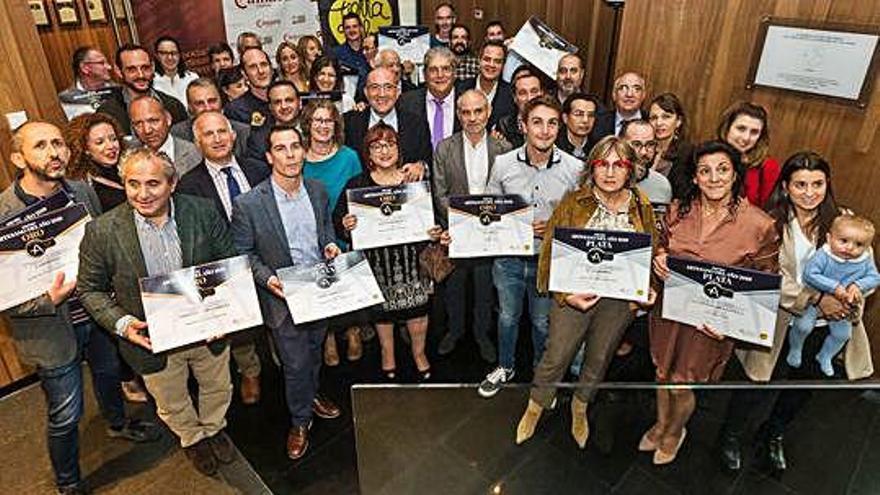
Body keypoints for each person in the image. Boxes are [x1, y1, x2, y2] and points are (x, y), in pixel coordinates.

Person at [2, 122, 159, 494]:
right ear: (17, 158)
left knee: (109, 379)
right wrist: (45, 300)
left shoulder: (82, 192)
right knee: (65, 413)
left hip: (95, 314)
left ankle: (118, 424)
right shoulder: (3, 213)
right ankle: (68, 482)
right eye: (40, 145)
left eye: (58, 143)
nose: (54, 152)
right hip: (50, 330)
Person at [77, 146, 237, 477]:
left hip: (207, 328)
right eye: (133, 184)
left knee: (218, 387)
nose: (142, 194)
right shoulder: (102, 231)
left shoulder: (203, 211)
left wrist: (228, 313)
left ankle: (214, 428)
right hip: (150, 339)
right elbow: (89, 289)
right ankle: (191, 438)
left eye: (153, 184)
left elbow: (231, 263)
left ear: (172, 183)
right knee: (171, 399)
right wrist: (122, 324)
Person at [723, 151, 873, 473]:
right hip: (779, 321)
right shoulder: (769, 222)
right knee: (756, 384)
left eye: (817, 184)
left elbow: (867, 269)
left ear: (826, 184)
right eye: (800, 184)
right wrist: (817, 299)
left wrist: (850, 296)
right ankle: (731, 435)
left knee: (801, 389)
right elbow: (769, 276)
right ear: (786, 187)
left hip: (825, 327)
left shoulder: (843, 219)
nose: (809, 192)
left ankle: (774, 433)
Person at [516, 135, 658, 448]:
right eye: (602, 164)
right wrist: (566, 295)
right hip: (573, 296)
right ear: (591, 169)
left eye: (618, 165)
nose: (609, 172)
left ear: (630, 169)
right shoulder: (572, 202)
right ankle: (535, 406)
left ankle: (580, 406)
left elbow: (651, 252)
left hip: (618, 302)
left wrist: (647, 290)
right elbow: (550, 253)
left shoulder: (642, 205)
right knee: (556, 356)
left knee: (599, 357)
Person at [644, 140, 778, 465]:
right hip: (669, 311)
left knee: (683, 385)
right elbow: (657, 245)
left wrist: (735, 327)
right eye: (705, 171)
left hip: (713, 323)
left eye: (722, 170)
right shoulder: (677, 210)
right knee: (662, 374)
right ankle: (660, 424)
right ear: (694, 178)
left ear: (735, 175)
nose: (714, 178)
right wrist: (658, 258)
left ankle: (675, 431)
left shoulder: (760, 225)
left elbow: (765, 284)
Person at [230, 124, 343, 460]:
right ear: (269, 156)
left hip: (319, 291)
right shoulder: (249, 203)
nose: (290, 154)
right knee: (294, 363)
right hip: (281, 298)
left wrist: (331, 246)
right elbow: (244, 254)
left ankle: (311, 395)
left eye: (296, 146)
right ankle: (299, 421)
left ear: (304, 151)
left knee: (314, 351)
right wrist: (268, 280)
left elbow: (325, 231)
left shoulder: (318, 190)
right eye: (281, 148)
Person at [477, 95, 583, 398]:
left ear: (559, 127)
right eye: (537, 122)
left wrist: (553, 228)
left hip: (547, 261)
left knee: (541, 321)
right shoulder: (503, 164)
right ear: (523, 126)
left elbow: (580, 219)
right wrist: (512, 223)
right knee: (507, 317)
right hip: (508, 258)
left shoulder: (575, 169)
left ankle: (541, 371)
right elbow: (488, 210)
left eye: (552, 123)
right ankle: (505, 366)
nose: (545, 130)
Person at [334, 124, 442, 380]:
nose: (384, 151)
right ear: (367, 154)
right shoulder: (357, 185)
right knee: (382, 313)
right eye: (376, 146)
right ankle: (387, 353)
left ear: (399, 149)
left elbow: (433, 217)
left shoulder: (414, 182)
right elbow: (338, 221)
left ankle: (419, 353)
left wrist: (435, 230)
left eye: (390, 144)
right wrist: (346, 224)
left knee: (418, 309)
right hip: (377, 263)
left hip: (412, 259)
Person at [176, 111, 270, 404]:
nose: (217, 138)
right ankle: (249, 371)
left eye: (221, 131)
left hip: (265, 257)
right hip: (223, 266)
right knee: (240, 328)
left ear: (233, 135)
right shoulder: (189, 185)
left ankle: (286, 363)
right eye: (208, 134)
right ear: (197, 142)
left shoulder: (259, 170)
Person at [432, 90, 512, 359]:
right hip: (457, 233)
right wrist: (463, 220)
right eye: (466, 112)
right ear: (458, 115)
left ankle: (481, 335)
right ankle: (454, 332)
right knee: (454, 289)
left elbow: (509, 195)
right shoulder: (445, 148)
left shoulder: (504, 149)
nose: (472, 117)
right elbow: (439, 193)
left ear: (488, 112)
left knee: (484, 291)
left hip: (491, 236)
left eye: (478, 111)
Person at [301, 99, 365, 364]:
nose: (323, 126)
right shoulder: (297, 158)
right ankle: (327, 337)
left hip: (345, 234)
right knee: (321, 289)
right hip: (310, 236)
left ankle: (353, 331)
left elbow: (362, 194)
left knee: (348, 285)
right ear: (307, 124)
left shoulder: (349, 157)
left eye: (328, 120)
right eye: (317, 120)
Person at [786, 214, 879, 376]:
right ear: (829, 238)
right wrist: (834, 287)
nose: (850, 248)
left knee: (843, 335)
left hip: (842, 304)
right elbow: (810, 274)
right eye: (843, 241)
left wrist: (858, 285)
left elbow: (875, 278)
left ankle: (825, 356)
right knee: (803, 326)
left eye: (858, 244)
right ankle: (796, 348)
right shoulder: (824, 255)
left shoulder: (863, 260)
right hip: (814, 299)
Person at [343, 67, 430, 175]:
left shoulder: (417, 124)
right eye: (375, 87)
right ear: (366, 92)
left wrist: (421, 166)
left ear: (397, 92)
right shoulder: (348, 123)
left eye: (388, 87)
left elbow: (427, 159)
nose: (382, 94)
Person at [96, 44, 187, 135]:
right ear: (119, 71)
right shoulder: (108, 113)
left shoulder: (174, 106)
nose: (140, 75)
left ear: (153, 67)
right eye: (132, 70)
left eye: (145, 68)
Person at [716, 101, 780, 209]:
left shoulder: (768, 167)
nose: (746, 138)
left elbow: (765, 211)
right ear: (727, 128)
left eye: (754, 132)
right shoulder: (705, 156)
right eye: (741, 129)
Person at [170, 78, 252, 158]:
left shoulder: (243, 133)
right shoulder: (177, 135)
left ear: (221, 101)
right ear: (190, 107)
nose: (208, 108)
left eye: (212, 101)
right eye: (199, 103)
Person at [399, 47, 460, 153]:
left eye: (446, 69)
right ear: (424, 74)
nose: (440, 75)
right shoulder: (406, 102)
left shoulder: (467, 102)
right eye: (433, 70)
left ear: (454, 73)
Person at [64, 113, 127, 211]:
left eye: (113, 139)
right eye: (100, 142)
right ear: (85, 149)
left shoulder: (131, 166)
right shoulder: (85, 187)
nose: (111, 146)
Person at [128, 95, 202, 176]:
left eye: (153, 121)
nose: (147, 130)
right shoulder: (128, 155)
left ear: (168, 119)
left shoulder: (194, 153)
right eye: (138, 124)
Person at [457, 41, 516, 131]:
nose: (491, 65)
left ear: (503, 65)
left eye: (497, 61)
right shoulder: (460, 89)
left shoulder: (511, 94)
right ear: (479, 60)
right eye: (487, 59)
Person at [245, 80, 303, 163]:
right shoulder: (258, 141)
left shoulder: (315, 129)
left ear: (300, 103)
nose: (284, 106)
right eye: (277, 102)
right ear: (270, 108)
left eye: (289, 100)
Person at [647, 92, 691, 199]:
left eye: (666, 117)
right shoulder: (644, 149)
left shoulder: (687, 154)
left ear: (678, 122)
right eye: (654, 118)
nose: (659, 123)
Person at [58, 46, 117, 120]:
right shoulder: (66, 100)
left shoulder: (118, 91)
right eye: (102, 63)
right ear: (85, 68)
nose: (109, 67)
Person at [496, 68, 545, 149]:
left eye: (534, 91)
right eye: (523, 93)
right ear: (515, 97)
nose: (529, 98)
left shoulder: (553, 123)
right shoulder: (504, 125)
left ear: (542, 93)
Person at [591, 71, 647, 141]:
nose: (629, 94)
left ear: (643, 95)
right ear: (614, 94)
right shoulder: (597, 122)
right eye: (623, 88)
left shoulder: (651, 122)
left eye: (637, 89)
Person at [225, 47, 273, 126]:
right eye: (253, 67)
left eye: (264, 64)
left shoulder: (286, 99)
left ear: (271, 68)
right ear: (244, 73)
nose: (261, 71)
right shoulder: (236, 110)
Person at [152, 36, 199, 108]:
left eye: (174, 53)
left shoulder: (192, 78)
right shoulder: (152, 81)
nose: (170, 57)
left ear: (179, 55)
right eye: (164, 53)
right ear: (157, 56)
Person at [556, 92, 600, 160]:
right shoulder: (554, 145)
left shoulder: (598, 147)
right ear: (565, 118)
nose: (585, 120)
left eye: (591, 115)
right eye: (579, 114)